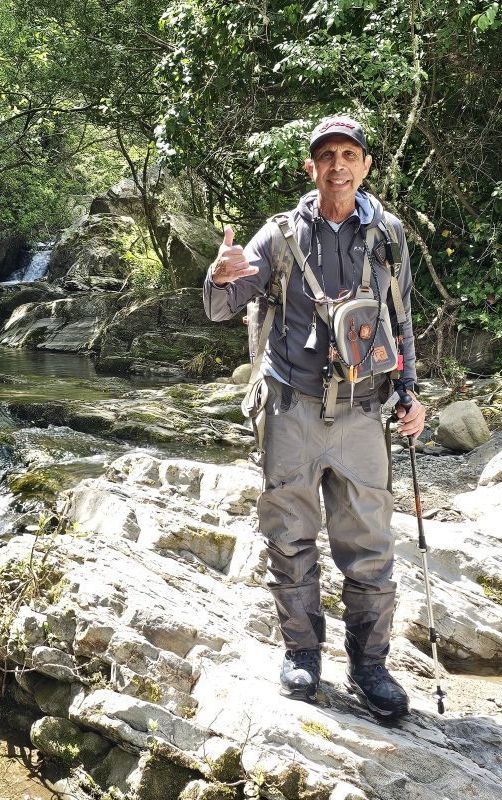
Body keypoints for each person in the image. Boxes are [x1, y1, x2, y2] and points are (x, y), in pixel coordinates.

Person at [202, 116, 425, 719]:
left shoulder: (389, 236)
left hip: (363, 414)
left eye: (349, 154)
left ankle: (370, 667)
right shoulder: (276, 236)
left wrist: (409, 391)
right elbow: (226, 303)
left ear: (366, 165)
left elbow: (399, 319)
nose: (338, 165)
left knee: (370, 545)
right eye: (326, 155)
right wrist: (219, 274)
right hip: (290, 408)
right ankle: (302, 655)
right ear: (311, 167)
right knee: (289, 538)